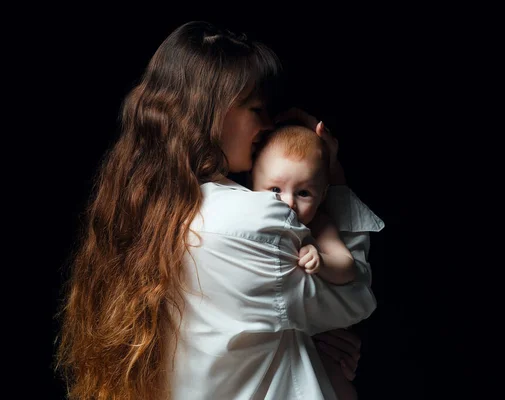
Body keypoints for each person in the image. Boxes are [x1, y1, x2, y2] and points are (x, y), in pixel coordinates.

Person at [54, 20, 385, 400]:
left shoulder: (146, 209)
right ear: (216, 109)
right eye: (256, 108)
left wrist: (307, 339)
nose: (267, 124)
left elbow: (254, 318)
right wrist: (333, 176)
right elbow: (355, 298)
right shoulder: (252, 220)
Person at [250, 124, 356, 285]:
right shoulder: (245, 213)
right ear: (252, 184)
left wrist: (322, 261)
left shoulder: (319, 225)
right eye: (275, 189)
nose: (289, 203)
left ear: (322, 196)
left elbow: (348, 268)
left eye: (303, 193)